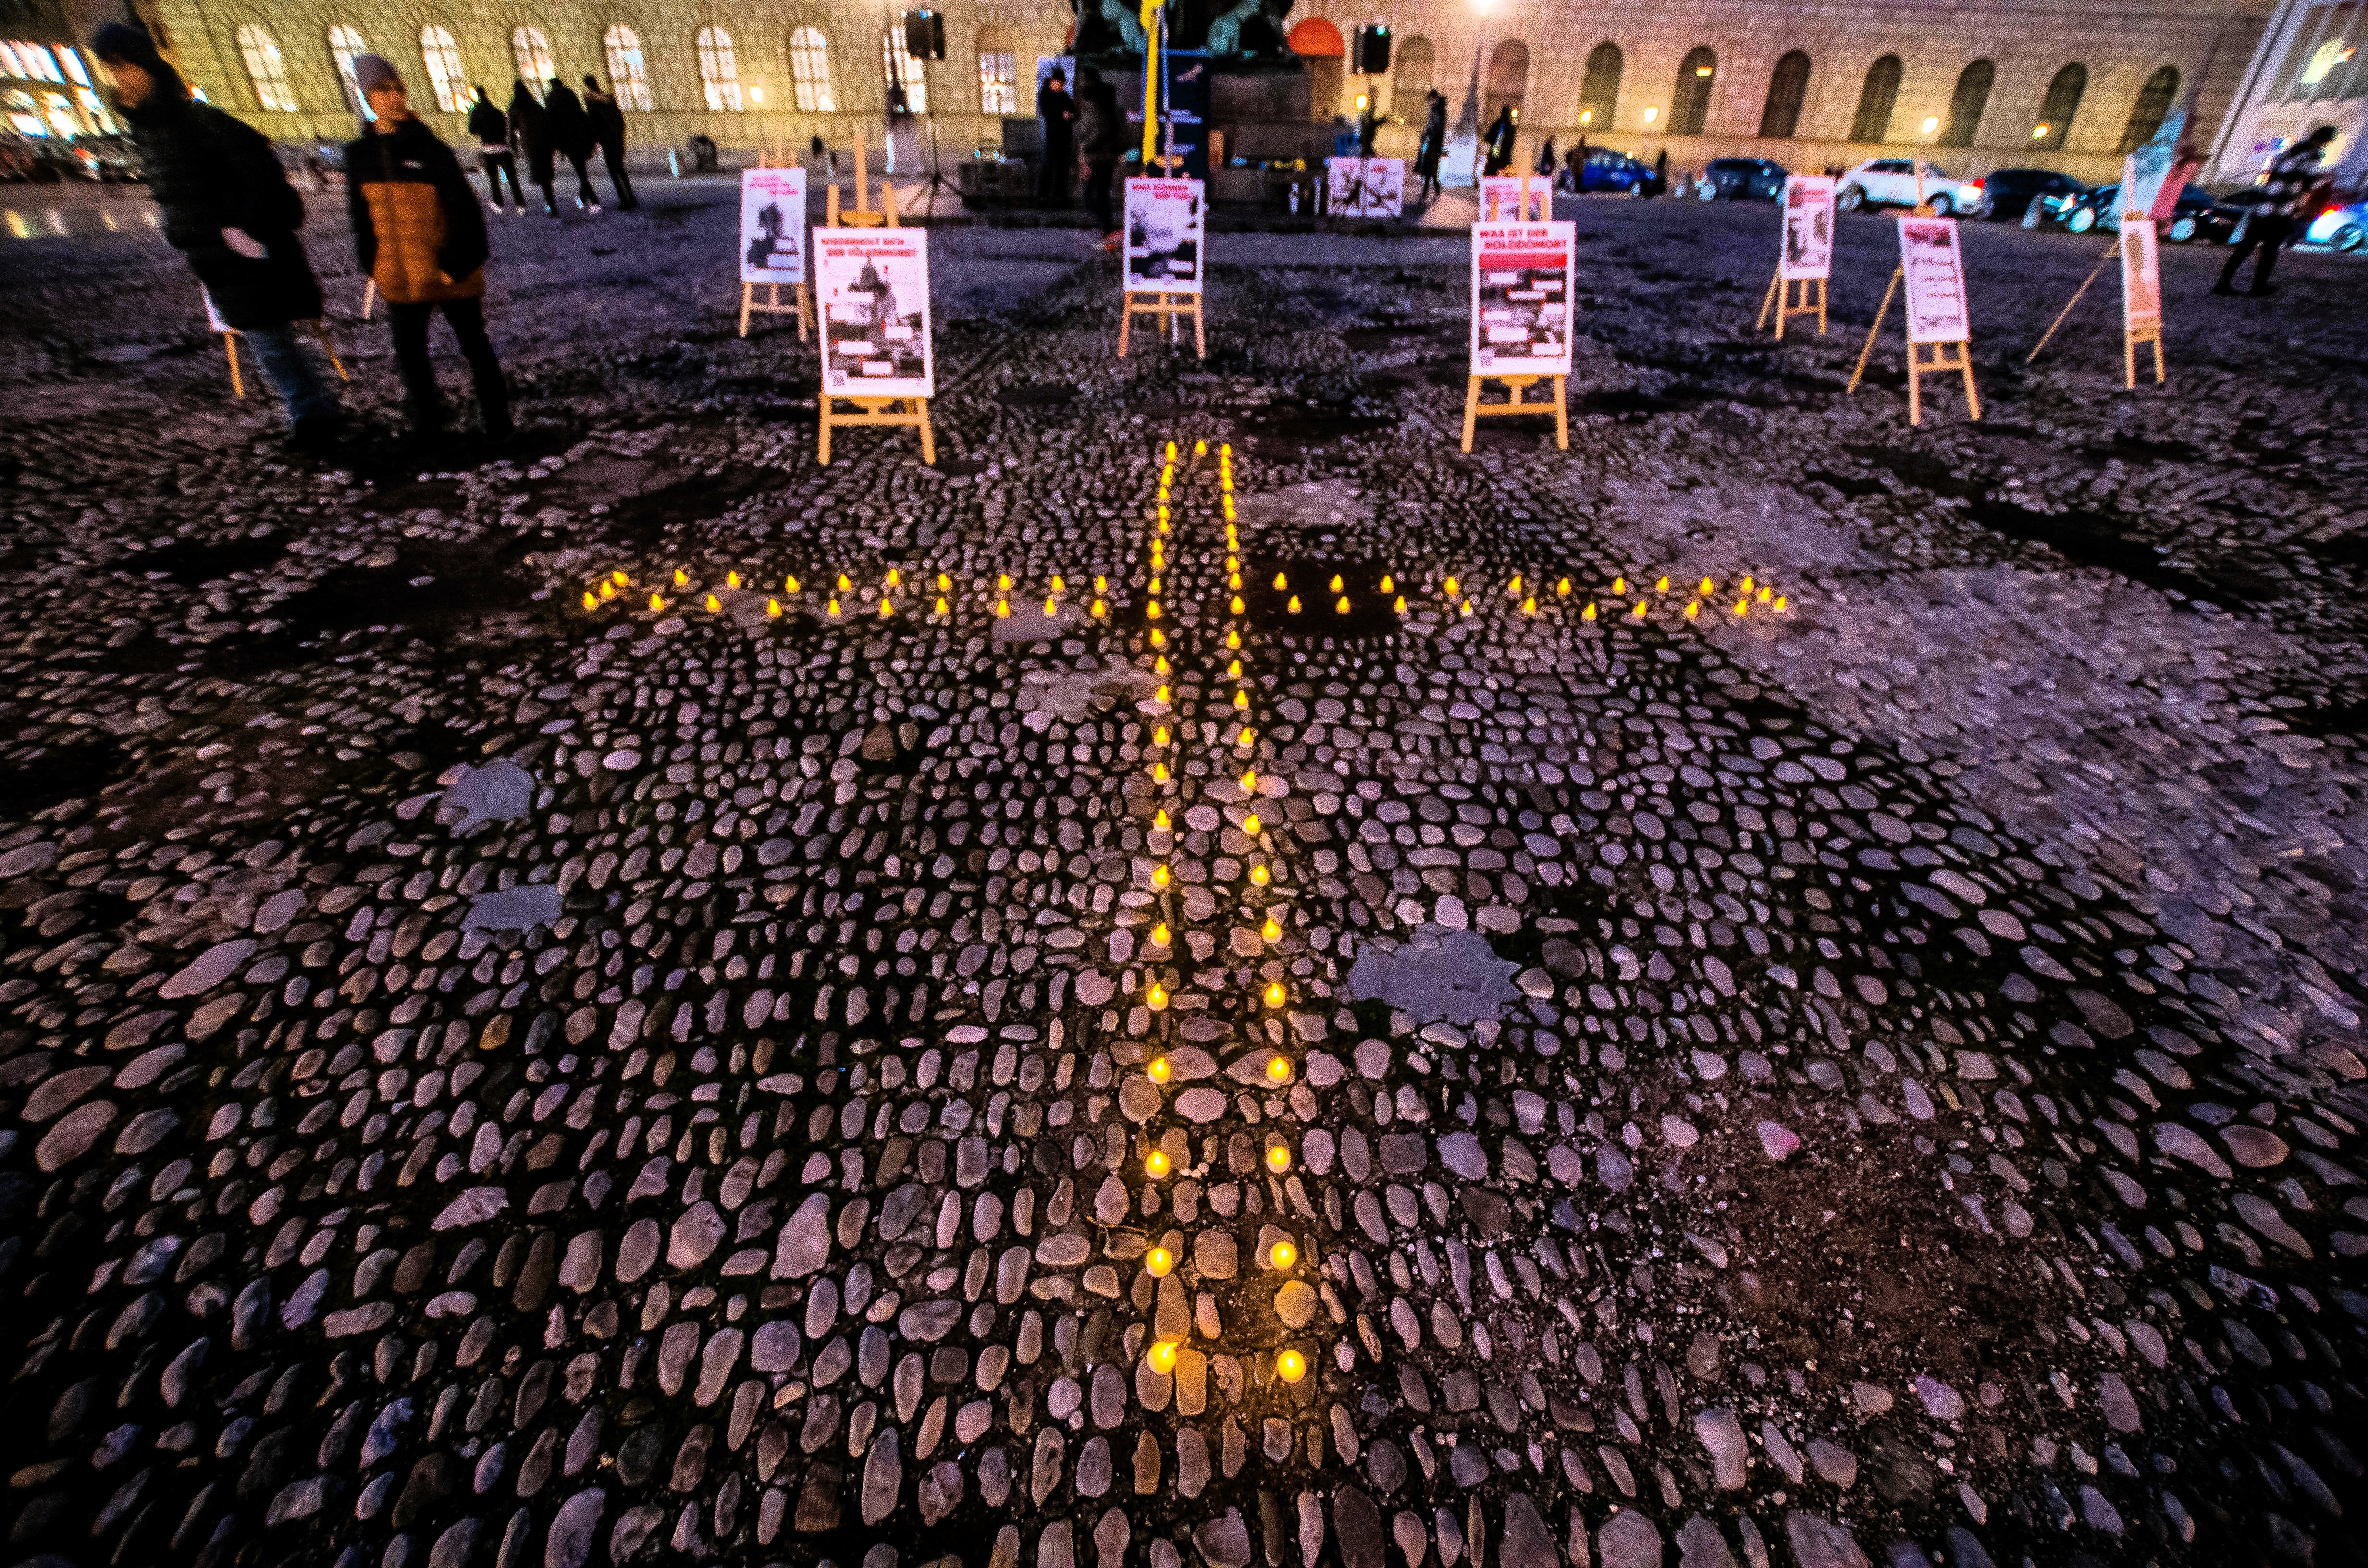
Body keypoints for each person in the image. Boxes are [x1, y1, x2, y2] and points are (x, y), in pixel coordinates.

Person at [89, 22, 342, 451]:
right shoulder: (152, 130)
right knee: (267, 339)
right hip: (213, 255)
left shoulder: (200, 123)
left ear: (145, 66)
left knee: (270, 340)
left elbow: (264, 185)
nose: (118, 79)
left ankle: (313, 415)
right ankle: (314, 410)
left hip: (237, 252)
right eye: (111, 70)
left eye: (122, 67)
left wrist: (237, 232)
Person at [343, 55, 510, 443]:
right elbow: (361, 218)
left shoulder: (431, 149)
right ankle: (427, 426)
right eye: (384, 90)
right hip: (400, 275)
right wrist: (373, 265)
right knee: (410, 355)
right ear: (367, 96)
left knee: (475, 348)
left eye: (398, 88)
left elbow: (466, 214)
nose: (396, 97)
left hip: (447, 270)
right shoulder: (360, 156)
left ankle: (499, 424)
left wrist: (454, 267)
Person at [2217, 124, 2336, 297]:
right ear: (2325, 141)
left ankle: (2223, 283)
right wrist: (2325, 179)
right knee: (2270, 249)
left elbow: (2273, 175)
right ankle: (2258, 286)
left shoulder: (2290, 151)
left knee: (2245, 247)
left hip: (2263, 207)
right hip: (2281, 210)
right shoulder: (2313, 155)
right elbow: (2309, 184)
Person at [1077, 66, 1123, 245]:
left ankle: (1107, 228)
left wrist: (1087, 147)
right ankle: (1107, 228)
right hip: (1106, 156)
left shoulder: (1096, 102)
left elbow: (1099, 131)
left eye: (1083, 80)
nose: (1081, 83)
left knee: (1092, 194)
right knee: (1100, 193)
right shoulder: (1107, 101)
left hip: (1099, 156)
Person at [542, 75, 599, 212]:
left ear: (552, 86)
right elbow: (581, 114)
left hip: (568, 140)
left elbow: (552, 124)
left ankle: (595, 202)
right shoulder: (570, 94)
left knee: (581, 172)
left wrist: (557, 146)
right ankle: (582, 198)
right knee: (582, 170)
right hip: (581, 136)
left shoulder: (551, 99)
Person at [468, 86, 526, 214]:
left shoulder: (477, 112)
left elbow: (472, 130)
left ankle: (499, 204)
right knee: (512, 179)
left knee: (494, 180)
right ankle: (521, 205)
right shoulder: (497, 111)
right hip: (504, 149)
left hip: (489, 150)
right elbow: (506, 128)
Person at [582, 75, 637, 210]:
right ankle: (631, 197)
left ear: (588, 86)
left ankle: (624, 201)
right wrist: (620, 136)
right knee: (620, 169)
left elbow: (594, 122)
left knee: (613, 171)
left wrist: (594, 140)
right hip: (617, 138)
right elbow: (620, 120)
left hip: (607, 140)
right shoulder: (609, 98)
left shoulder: (591, 100)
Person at [508, 79, 555, 214]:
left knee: (540, 174)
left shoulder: (515, 106)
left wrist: (514, 147)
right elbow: (546, 122)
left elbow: (511, 128)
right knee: (546, 174)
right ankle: (551, 204)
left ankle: (550, 205)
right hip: (544, 142)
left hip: (530, 144)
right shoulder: (535, 105)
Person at [1036, 68, 1074, 207]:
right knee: (1048, 166)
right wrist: (1061, 115)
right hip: (1052, 137)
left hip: (1065, 137)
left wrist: (1071, 115)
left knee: (1062, 168)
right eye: (1059, 83)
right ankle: (1043, 196)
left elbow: (1073, 109)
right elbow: (1047, 111)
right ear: (1054, 82)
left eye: (1062, 84)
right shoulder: (1045, 95)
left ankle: (1060, 197)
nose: (1061, 86)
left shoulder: (1064, 95)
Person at [1414, 88, 1445, 202]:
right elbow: (1432, 128)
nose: (1430, 103)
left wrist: (1428, 136)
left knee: (1430, 170)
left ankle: (1429, 191)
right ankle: (1432, 191)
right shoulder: (1437, 110)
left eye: (1431, 100)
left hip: (1434, 145)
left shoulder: (1438, 112)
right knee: (1429, 170)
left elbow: (1436, 129)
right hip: (1432, 144)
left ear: (1435, 99)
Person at [1482, 105, 1515, 176]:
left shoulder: (1500, 125)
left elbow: (1488, 137)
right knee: (1494, 171)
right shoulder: (1502, 126)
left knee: (1495, 171)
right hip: (1498, 154)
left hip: (1500, 154)